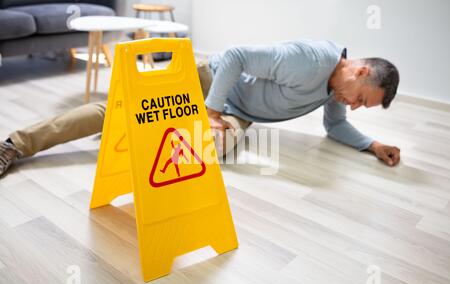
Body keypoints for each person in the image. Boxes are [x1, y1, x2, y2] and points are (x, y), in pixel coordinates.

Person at [0, 39, 401, 177]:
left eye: (363, 106)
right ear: (361, 71)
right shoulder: (311, 60)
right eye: (362, 99)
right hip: (212, 80)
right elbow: (238, 57)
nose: (355, 107)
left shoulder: (336, 91)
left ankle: (139, 135)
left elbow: (335, 127)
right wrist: (209, 108)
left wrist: (372, 144)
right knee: (121, 110)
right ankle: (15, 144)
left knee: (213, 149)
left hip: (239, 109)